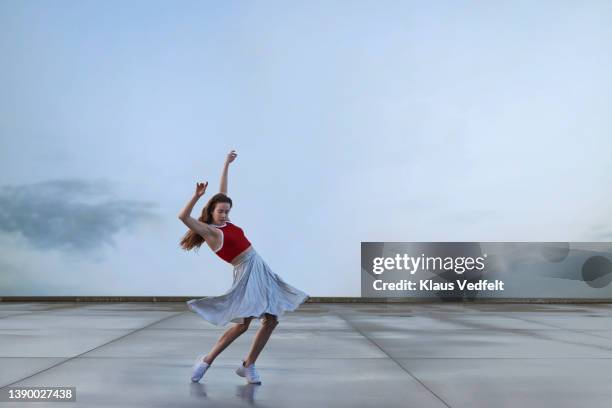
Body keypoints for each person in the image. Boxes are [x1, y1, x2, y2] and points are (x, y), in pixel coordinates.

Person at [177, 149, 309, 385]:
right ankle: (206, 361)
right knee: (242, 325)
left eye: (227, 211)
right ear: (211, 211)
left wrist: (226, 164)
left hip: (260, 268)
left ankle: (248, 365)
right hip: (246, 272)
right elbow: (183, 217)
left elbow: (223, 191)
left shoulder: (225, 221)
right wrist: (197, 195)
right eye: (221, 211)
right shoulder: (210, 231)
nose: (225, 215)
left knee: (272, 320)